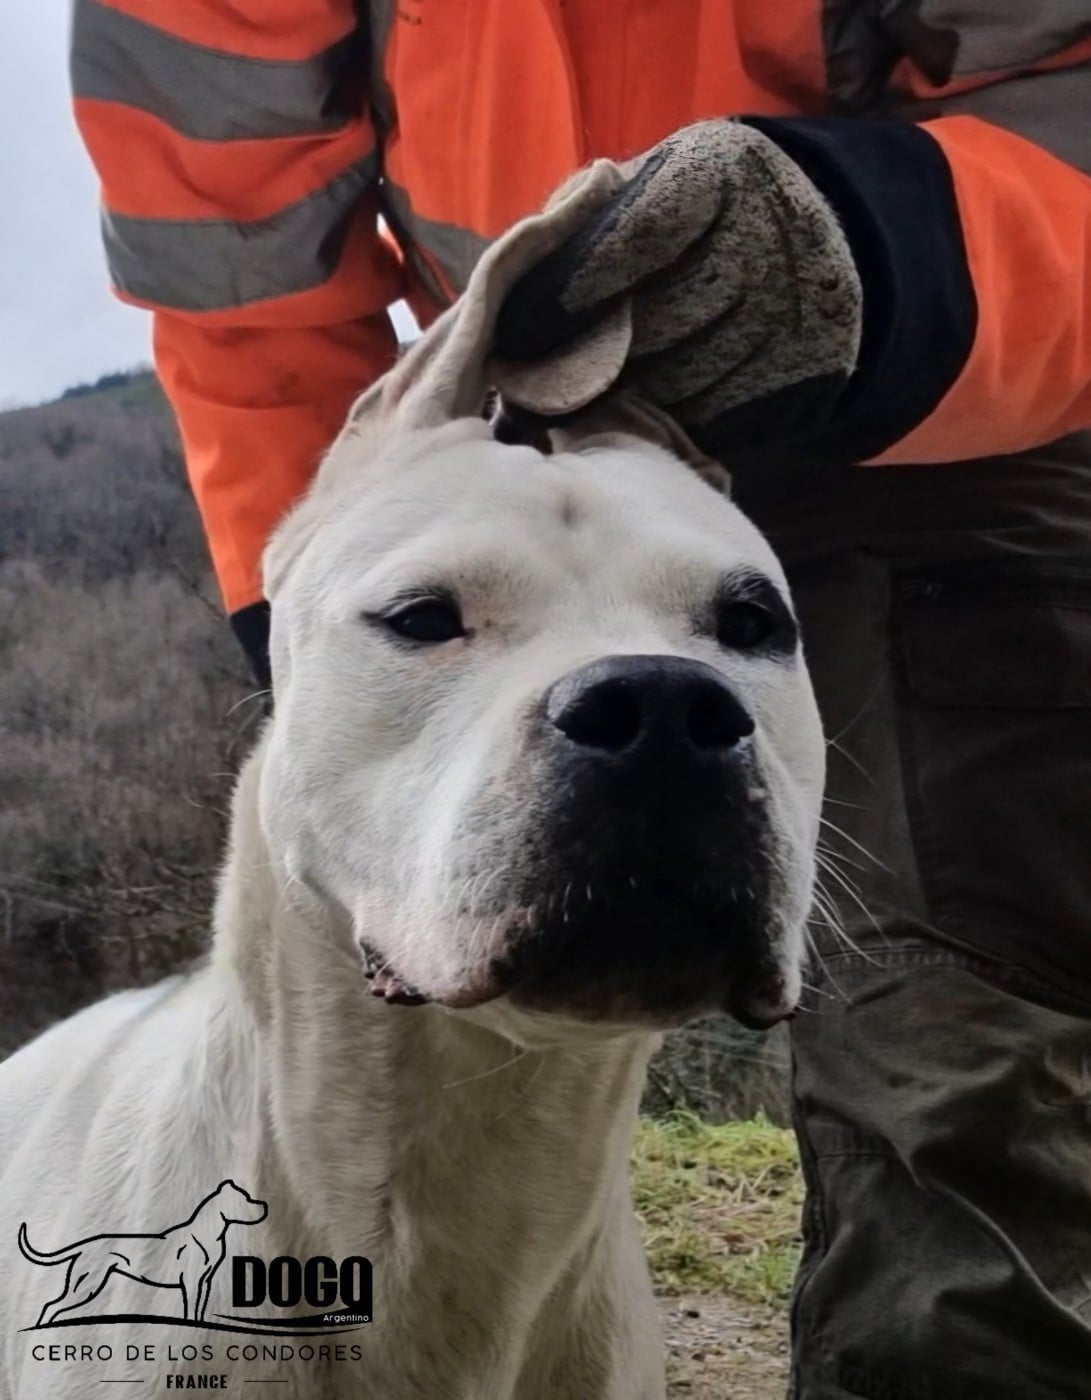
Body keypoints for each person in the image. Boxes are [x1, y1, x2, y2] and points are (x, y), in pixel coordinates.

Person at [71, 4, 1091, 1395]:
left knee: (973, 1089)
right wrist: (338, 571)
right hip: (493, 422)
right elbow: (232, 254)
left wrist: (894, 243)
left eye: (744, 639)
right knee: (351, 1080)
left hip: (973, 385)